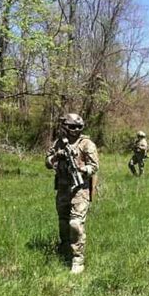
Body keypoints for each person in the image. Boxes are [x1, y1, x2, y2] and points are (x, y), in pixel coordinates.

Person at [45, 114, 99, 274]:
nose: (75, 130)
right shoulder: (58, 143)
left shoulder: (87, 144)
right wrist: (57, 155)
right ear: (65, 126)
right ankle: (64, 248)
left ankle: (77, 259)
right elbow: (47, 162)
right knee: (63, 222)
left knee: (75, 224)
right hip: (62, 189)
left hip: (80, 190)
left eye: (78, 127)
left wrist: (82, 169)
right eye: (72, 126)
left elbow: (94, 166)